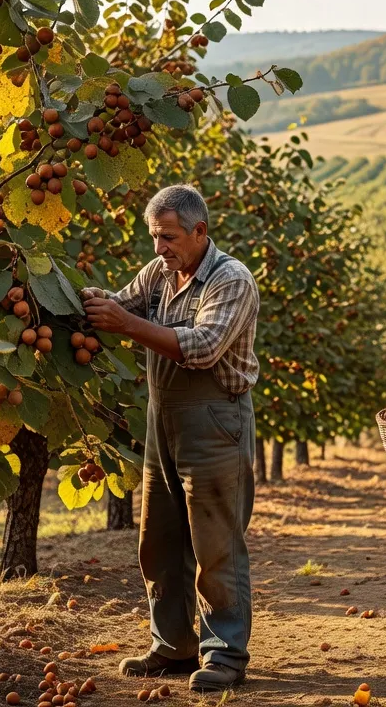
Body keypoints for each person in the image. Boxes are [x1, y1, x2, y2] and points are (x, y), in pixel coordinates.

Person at [81, 183, 260, 692]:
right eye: (154, 237)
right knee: (159, 538)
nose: (160, 248)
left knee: (214, 542)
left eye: (169, 237)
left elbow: (202, 347)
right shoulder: (160, 272)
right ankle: (173, 643)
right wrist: (84, 301)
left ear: (200, 231)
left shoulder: (231, 280)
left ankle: (224, 653)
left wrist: (125, 323)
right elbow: (121, 303)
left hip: (215, 421)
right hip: (163, 420)